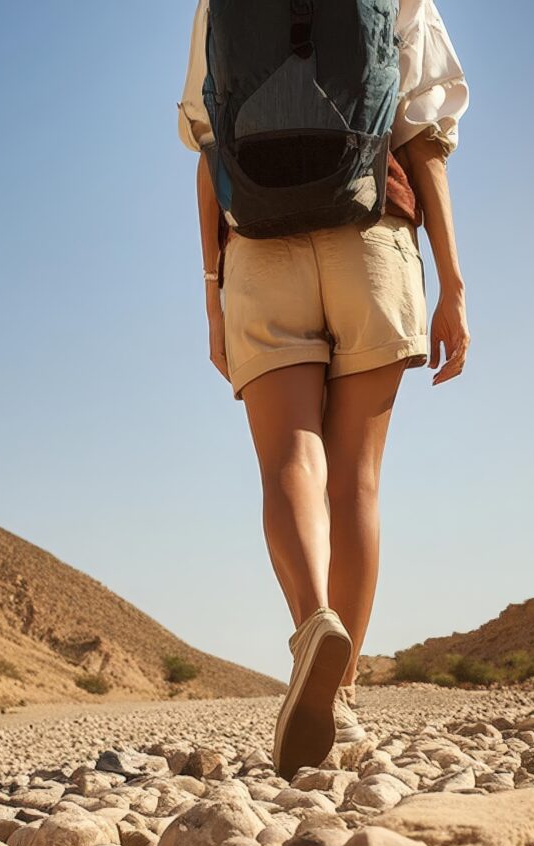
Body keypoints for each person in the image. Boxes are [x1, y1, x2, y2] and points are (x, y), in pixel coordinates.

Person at [180, 0, 469, 777]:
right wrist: (452, 286)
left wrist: (212, 294)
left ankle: (313, 625)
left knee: (289, 462)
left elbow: (209, 146)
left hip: (259, 248)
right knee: (358, 482)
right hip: (373, 236)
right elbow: (423, 137)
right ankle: (337, 702)